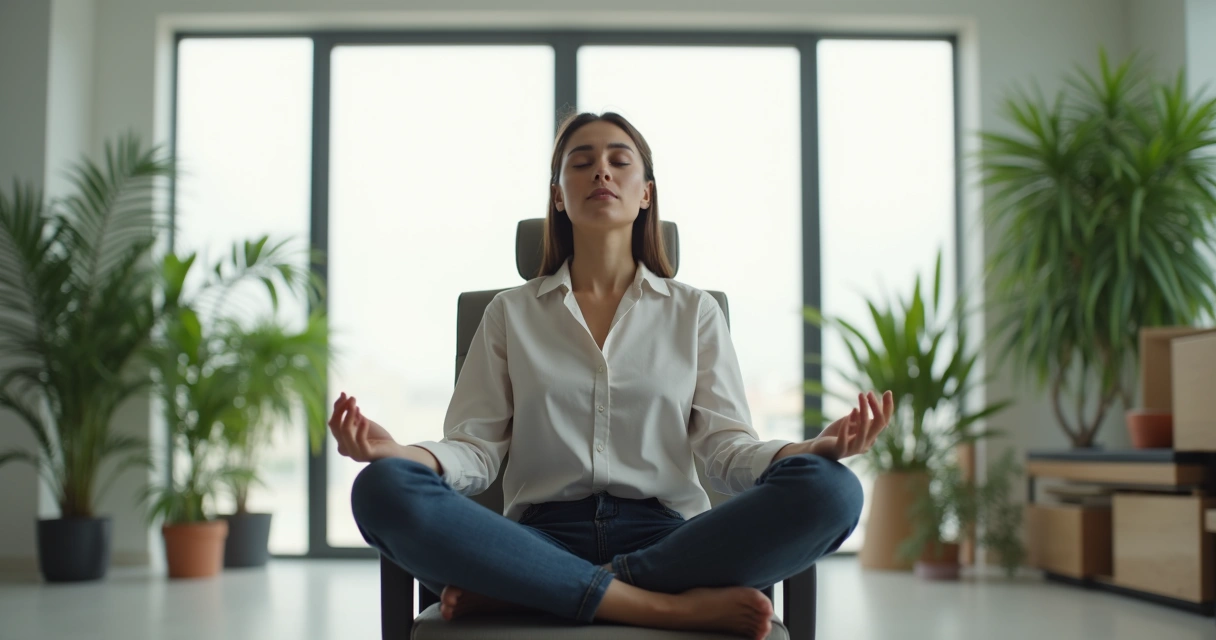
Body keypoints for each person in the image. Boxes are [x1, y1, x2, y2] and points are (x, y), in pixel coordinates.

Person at [329, 112, 893, 640]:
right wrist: (406, 455)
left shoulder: (694, 312)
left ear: (646, 192)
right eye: (581, 161)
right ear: (558, 195)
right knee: (382, 488)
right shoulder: (510, 313)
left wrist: (807, 449)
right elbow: (474, 450)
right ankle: (659, 605)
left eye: (620, 160)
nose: (601, 169)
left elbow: (726, 449)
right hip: (539, 535)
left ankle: (532, 590)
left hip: (670, 538)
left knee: (832, 489)